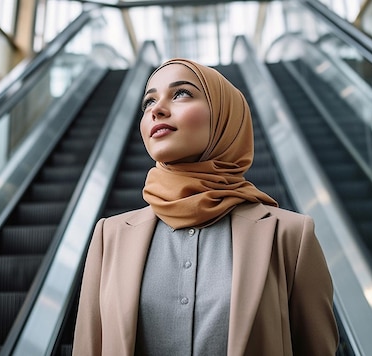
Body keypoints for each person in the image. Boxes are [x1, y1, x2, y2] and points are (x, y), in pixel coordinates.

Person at [72, 58, 338, 355]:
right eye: (148, 102)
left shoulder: (289, 235)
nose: (156, 109)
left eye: (181, 93)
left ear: (225, 116)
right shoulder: (110, 236)